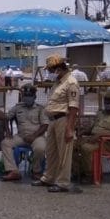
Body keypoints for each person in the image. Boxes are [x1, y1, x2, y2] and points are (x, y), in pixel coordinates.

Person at [32, 54, 80, 193]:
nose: (50, 73)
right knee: (51, 151)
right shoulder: (58, 82)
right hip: (53, 120)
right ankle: (49, 177)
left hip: (63, 120)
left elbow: (73, 107)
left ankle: (62, 182)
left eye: (52, 70)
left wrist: (70, 128)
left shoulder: (71, 82)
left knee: (64, 153)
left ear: (58, 68)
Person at [72, 89, 110, 182]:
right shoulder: (100, 113)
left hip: (106, 143)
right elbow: (92, 129)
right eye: (105, 100)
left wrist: (100, 135)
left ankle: (88, 174)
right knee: (71, 145)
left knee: (85, 148)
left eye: (109, 100)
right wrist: (82, 131)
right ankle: (77, 172)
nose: (106, 102)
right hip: (92, 138)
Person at [0, 84, 48, 181]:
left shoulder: (40, 108)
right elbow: (6, 117)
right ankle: (13, 171)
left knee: (40, 148)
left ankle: (36, 171)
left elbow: (45, 125)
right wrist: (8, 130)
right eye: (25, 96)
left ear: (34, 97)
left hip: (37, 136)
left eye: (29, 96)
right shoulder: (18, 107)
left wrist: (34, 136)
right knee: (5, 143)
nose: (27, 98)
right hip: (21, 136)